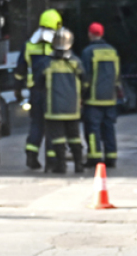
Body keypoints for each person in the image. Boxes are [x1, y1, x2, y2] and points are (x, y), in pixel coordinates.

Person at [14, 9, 62, 170]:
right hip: (53, 91)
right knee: (52, 125)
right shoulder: (58, 45)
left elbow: (20, 70)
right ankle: (52, 159)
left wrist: (17, 90)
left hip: (35, 91)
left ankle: (31, 154)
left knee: (37, 123)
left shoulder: (29, 45)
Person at [43, 27, 85, 173]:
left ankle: (61, 165)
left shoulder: (48, 63)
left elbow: (39, 82)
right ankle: (79, 164)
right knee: (74, 137)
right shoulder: (76, 63)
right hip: (72, 108)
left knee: (58, 138)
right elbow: (85, 82)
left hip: (53, 108)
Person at [80, 22, 120, 168]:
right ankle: (111, 157)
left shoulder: (88, 52)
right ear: (102, 34)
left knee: (93, 130)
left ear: (90, 34)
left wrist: (82, 95)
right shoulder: (113, 51)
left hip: (93, 99)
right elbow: (117, 74)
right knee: (109, 128)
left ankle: (94, 157)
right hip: (110, 98)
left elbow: (86, 77)